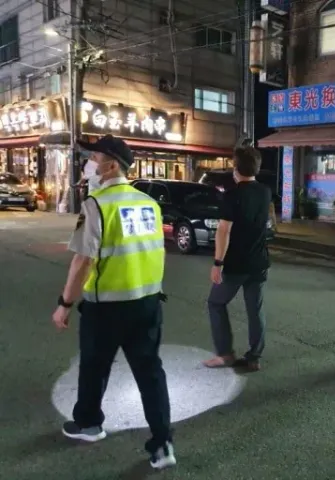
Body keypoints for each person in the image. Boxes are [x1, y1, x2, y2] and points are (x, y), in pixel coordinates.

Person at [51, 134, 175, 470]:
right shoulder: (148, 204)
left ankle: (89, 423)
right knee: (150, 373)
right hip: (147, 303)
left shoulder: (97, 204)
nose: (89, 163)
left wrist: (65, 302)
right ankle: (162, 443)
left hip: (106, 306)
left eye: (94, 157)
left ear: (111, 166)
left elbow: (82, 261)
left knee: (94, 366)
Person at [204, 146, 271, 373]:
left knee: (216, 303)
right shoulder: (265, 192)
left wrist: (218, 263)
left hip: (235, 264)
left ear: (236, 168)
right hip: (259, 261)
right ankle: (254, 357)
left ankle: (225, 354)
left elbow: (224, 231)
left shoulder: (232, 196)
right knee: (255, 309)